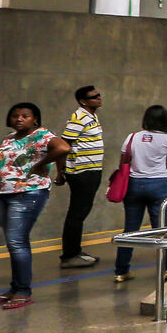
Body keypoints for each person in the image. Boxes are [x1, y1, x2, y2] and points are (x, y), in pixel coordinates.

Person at [0, 103, 69, 309]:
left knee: (17, 242)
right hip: (5, 192)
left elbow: (63, 148)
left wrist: (42, 165)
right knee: (13, 242)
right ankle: (15, 288)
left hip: (28, 192)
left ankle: (23, 291)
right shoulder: (9, 137)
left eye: (25, 116)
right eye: (15, 116)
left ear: (35, 119)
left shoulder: (43, 135)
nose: (19, 119)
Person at [114, 105, 167, 285]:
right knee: (162, 230)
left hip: (134, 186)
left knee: (130, 230)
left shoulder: (132, 137)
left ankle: (121, 272)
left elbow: (124, 161)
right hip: (158, 186)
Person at [55, 85, 105, 268]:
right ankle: (69, 255)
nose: (99, 98)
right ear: (83, 101)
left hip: (91, 171)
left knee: (80, 213)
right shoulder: (78, 118)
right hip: (81, 173)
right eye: (94, 97)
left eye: (98, 95)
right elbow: (62, 146)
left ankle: (75, 251)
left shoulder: (91, 116)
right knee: (77, 214)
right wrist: (60, 172)